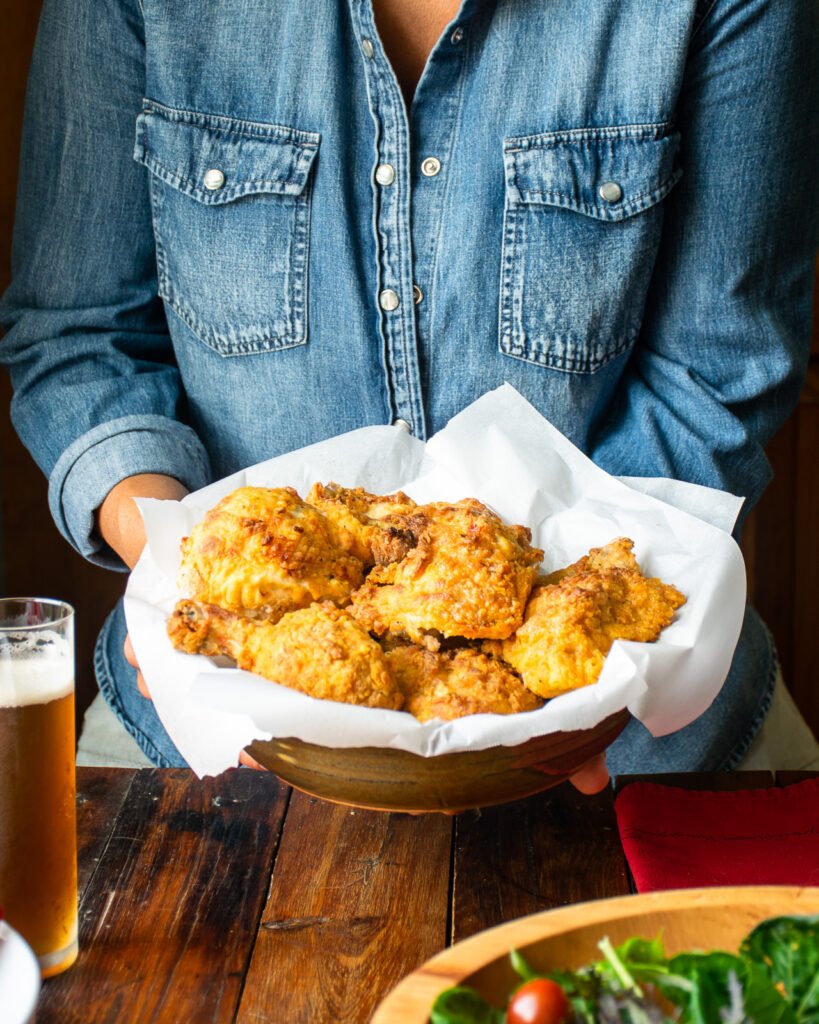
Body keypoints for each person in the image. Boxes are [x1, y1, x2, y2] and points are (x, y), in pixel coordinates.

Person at [1, 0, 817, 788]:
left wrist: (580, 667)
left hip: (645, 740)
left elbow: (720, 362)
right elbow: (78, 333)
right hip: (200, 741)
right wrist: (178, 580)